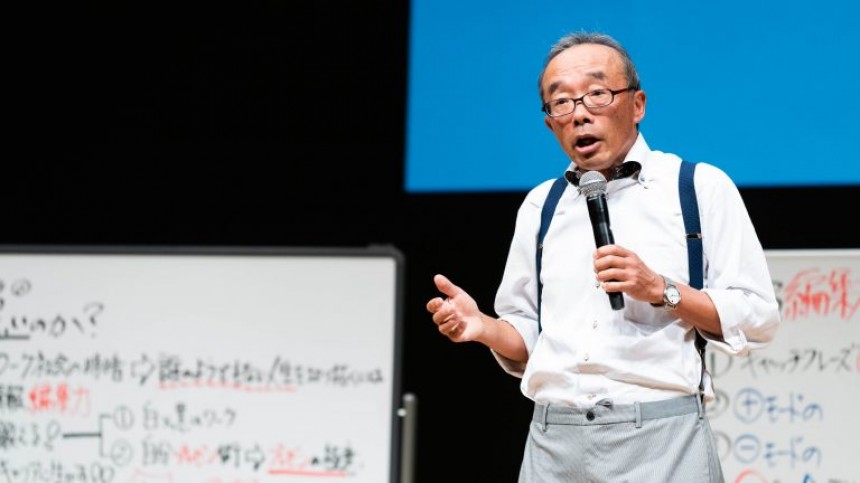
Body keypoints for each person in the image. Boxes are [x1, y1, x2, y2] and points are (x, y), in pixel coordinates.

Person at [425, 31, 780, 482]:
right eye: (561, 102)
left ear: (637, 105)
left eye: (597, 94)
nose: (579, 114)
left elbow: (757, 316)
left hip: (663, 439)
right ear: (550, 123)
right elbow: (528, 336)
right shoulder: (541, 205)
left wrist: (661, 289)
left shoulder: (697, 187)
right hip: (553, 442)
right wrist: (484, 329)